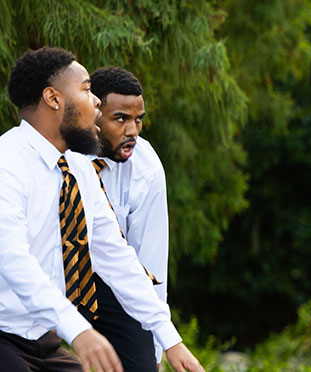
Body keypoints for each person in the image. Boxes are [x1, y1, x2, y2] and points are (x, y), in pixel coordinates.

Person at [0, 47, 204, 372]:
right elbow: (13, 260)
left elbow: (116, 256)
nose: (96, 101)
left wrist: (170, 339)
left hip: (42, 341)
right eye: (85, 89)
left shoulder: (78, 168)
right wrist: (78, 329)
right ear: (53, 98)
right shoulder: (6, 163)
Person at [87, 66, 170, 369]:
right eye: (120, 118)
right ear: (92, 112)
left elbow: (150, 257)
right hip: (53, 275)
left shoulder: (146, 166)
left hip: (113, 283)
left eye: (138, 119)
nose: (132, 130)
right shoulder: (63, 155)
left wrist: (156, 345)